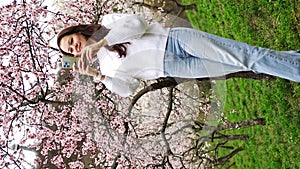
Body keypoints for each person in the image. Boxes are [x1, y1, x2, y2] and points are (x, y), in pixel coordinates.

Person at [57, 13, 300, 97]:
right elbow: (128, 87)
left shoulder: (108, 24)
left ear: (77, 32)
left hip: (175, 41)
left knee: (246, 58)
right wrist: (97, 76)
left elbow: (137, 25)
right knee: (245, 61)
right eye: (70, 50)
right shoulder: (106, 68)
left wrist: (103, 42)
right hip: (175, 69)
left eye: (71, 41)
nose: (74, 48)